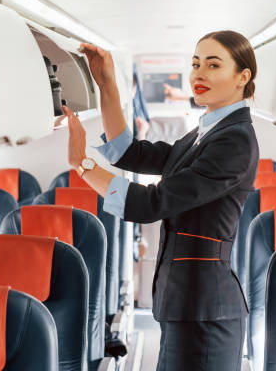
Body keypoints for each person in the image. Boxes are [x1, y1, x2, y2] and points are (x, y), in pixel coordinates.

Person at [64, 30, 259, 371]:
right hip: (186, 303)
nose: (199, 73)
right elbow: (131, 153)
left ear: (243, 77)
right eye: (196, 63)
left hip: (206, 312)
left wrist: (83, 164)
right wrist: (108, 85)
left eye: (213, 65)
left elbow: (150, 204)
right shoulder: (206, 132)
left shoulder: (235, 141)